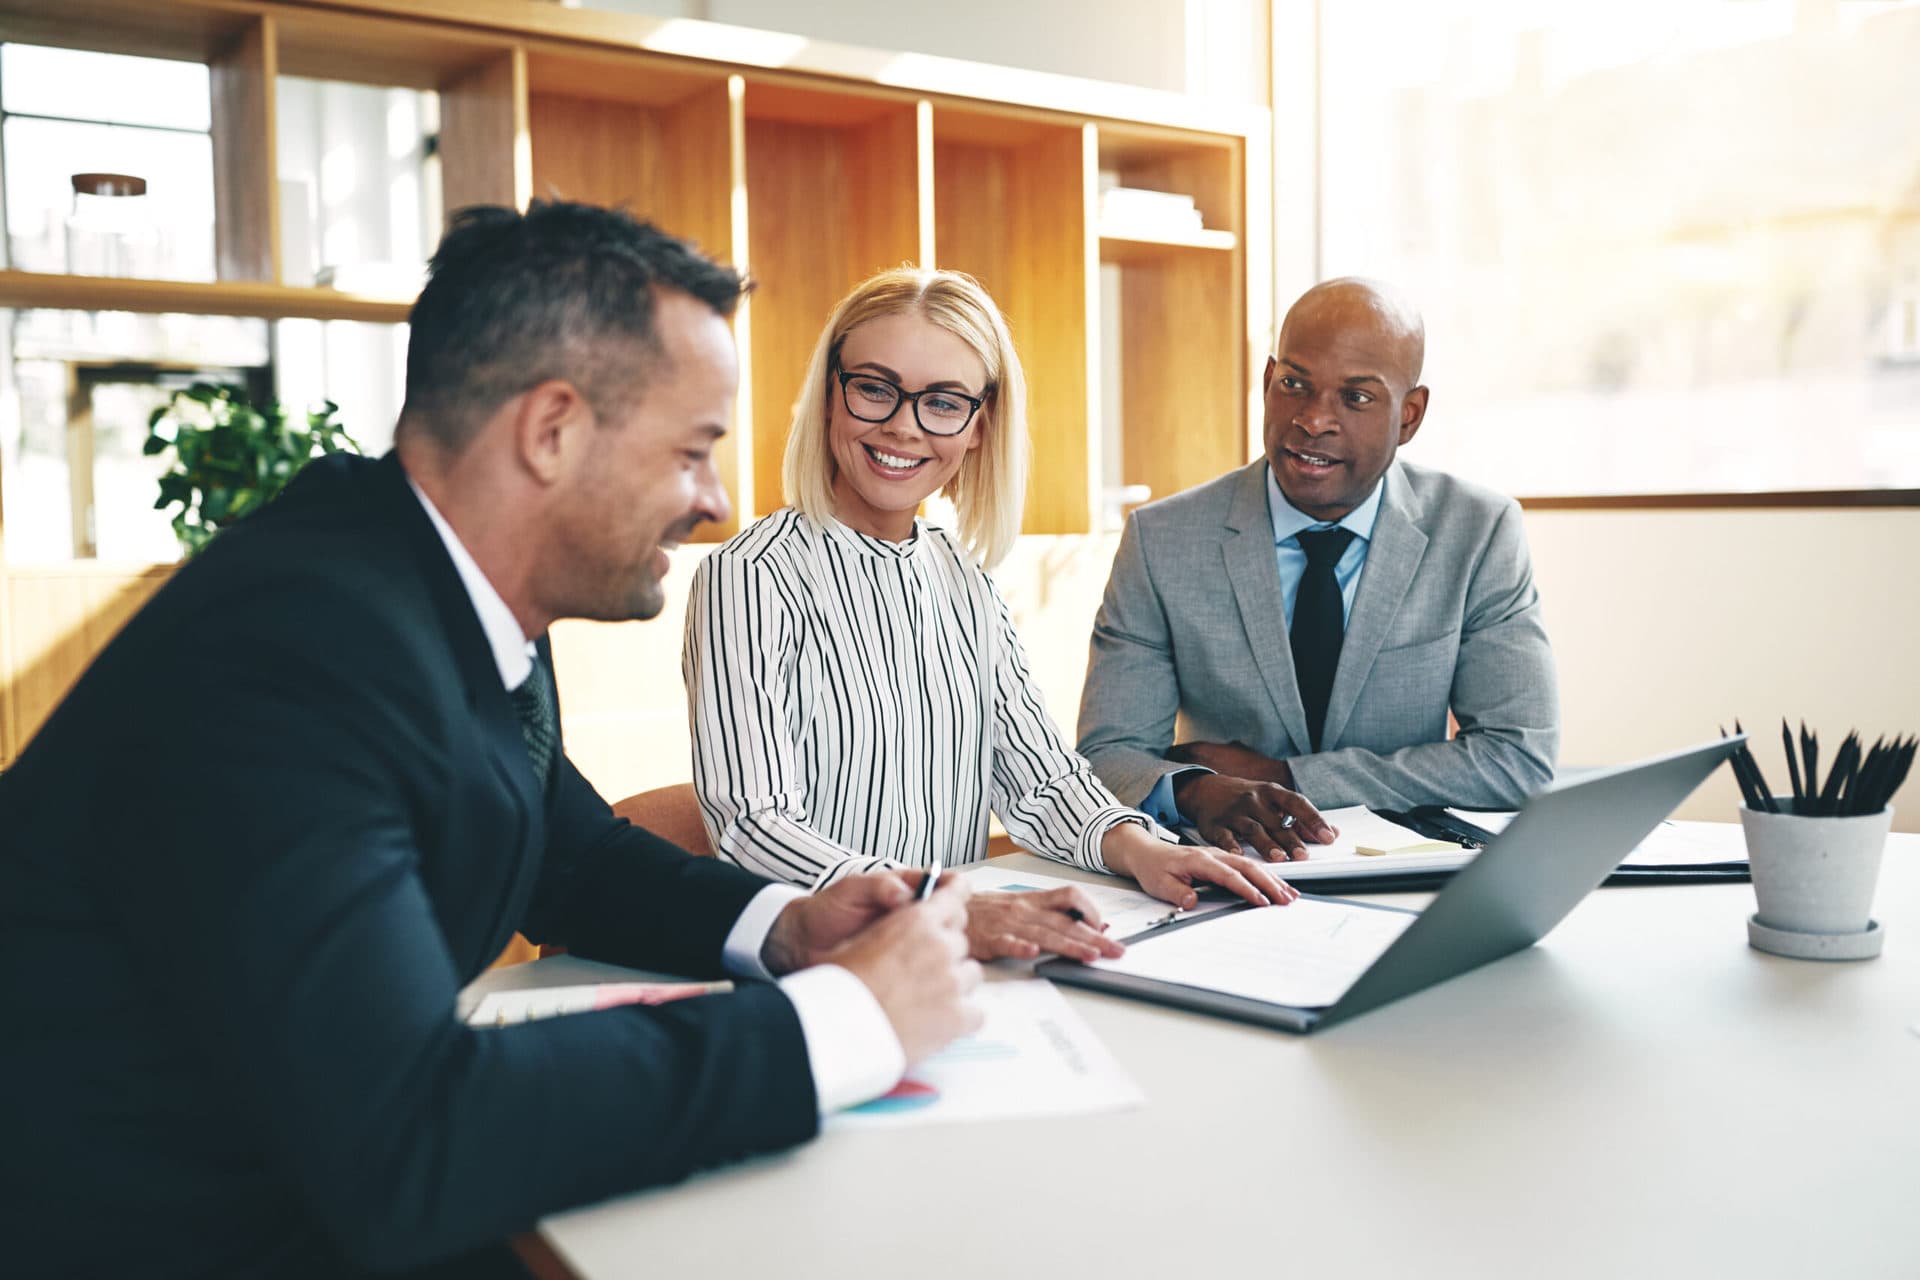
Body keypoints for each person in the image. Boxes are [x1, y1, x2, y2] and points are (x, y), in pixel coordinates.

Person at [0, 202, 984, 1280]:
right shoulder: (299, 650)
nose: (711, 501)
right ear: (551, 430)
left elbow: (568, 852)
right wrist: (841, 1023)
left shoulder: (429, 574)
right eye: (694, 451)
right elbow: (410, 1131)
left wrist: (789, 927)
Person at [683, 267, 1302, 965]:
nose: (902, 426)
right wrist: (939, 908)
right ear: (831, 395)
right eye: (875, 388)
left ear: (980, 426)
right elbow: (753, 824)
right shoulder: (750, 576)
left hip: (950, 963)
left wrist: (1138, 847)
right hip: (818, 971)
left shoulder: (965, 580)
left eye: (943, 402)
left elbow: (1039, 778)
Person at [1077, 277, 1558, 858]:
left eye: (1355, 398)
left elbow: (1517, 761)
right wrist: (1196, 790)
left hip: (1410, 876)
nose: (1313, 420)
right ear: (1266, 383)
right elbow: (1108, 756)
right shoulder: (1162, 540)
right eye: (1293, 385)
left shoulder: (1477, 532)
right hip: (1228, 875)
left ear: (1409, 415)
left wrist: (1289, 776)